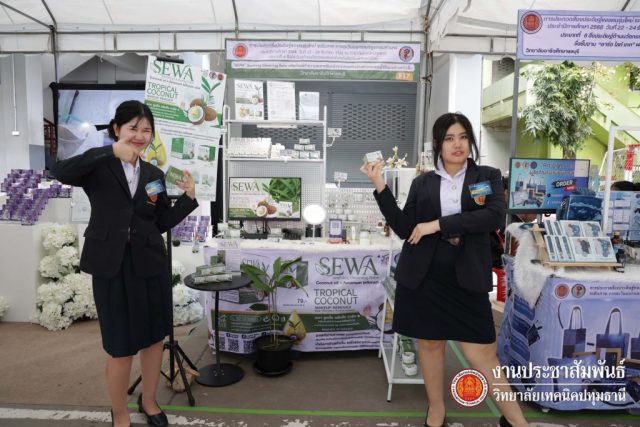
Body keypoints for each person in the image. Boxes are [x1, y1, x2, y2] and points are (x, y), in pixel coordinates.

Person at [361, 113, 528, 427]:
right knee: (430, 344)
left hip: (468, 275)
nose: (458, 144)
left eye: (463, 137)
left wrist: (437, 224)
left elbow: (493, 217)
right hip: (425, 276)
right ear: (438, 143)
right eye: (450, 138)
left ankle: (517, 422)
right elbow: (405, 228)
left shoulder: (487, 176)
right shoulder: (423, 182)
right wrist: (379, 185)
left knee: (482, 354)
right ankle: (436, 411)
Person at [52, 100, 198, 427]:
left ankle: (149, 401)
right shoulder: (99, 166)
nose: (140, 135)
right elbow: (60, 171)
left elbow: (158, 221)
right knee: (120, 346)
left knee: (153, 339)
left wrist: (188, 199)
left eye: (147, 130)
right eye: (133, 128)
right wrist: (109, 152)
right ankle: (119, 412)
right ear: (117, 129)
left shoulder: (154, 175)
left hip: (150, 265)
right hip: (112, 266)